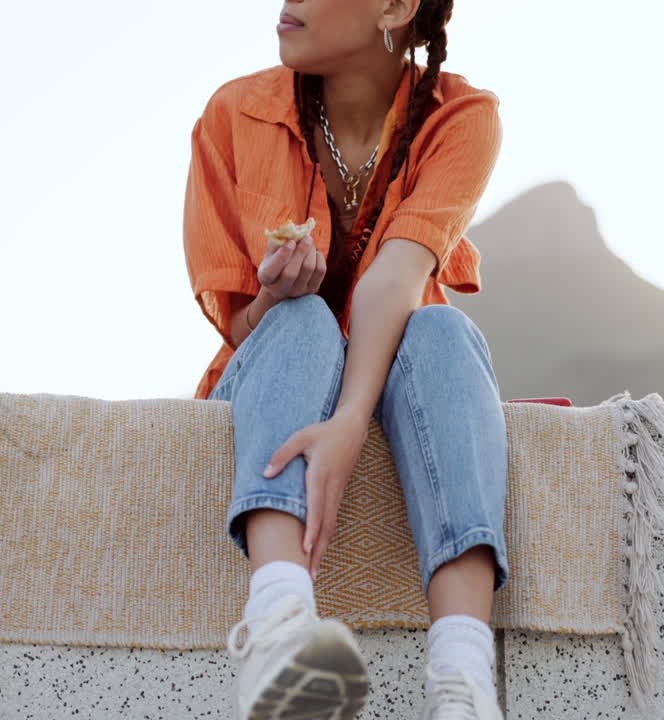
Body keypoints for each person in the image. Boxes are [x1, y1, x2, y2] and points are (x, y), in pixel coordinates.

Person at [183, 1, 506, 718]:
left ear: (395, 7)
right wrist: (274, 297)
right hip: (269, 381)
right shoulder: (233, 113)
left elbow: (398, 276)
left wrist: (352, 417)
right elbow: (239, 322)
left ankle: (463, 680)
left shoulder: (463, 118)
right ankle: (277, 625)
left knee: (444, 332)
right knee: (298, 319)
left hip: (390, 386)